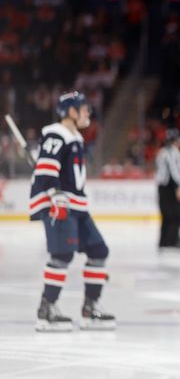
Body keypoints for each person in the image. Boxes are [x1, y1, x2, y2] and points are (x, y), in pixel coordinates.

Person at [29, 91, 115, 332]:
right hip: (61, 203)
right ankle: (46, 310)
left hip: (77, 205)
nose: (88, 112)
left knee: (98, 250)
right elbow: (47, 170)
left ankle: (90, 308)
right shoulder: (56, 133)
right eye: (83, 108)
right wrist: (54, 196)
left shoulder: (74, 136)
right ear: (70, 112)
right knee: (62, 254)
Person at [155, 129, 180, 249]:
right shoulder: (173, 152)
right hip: (170, 187)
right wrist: (178, 187)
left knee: (165, 215)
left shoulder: (161, 152)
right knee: (175, 215)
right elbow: (173, 171)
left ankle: (164, 241)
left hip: (162, 187)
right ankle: (172, 241)